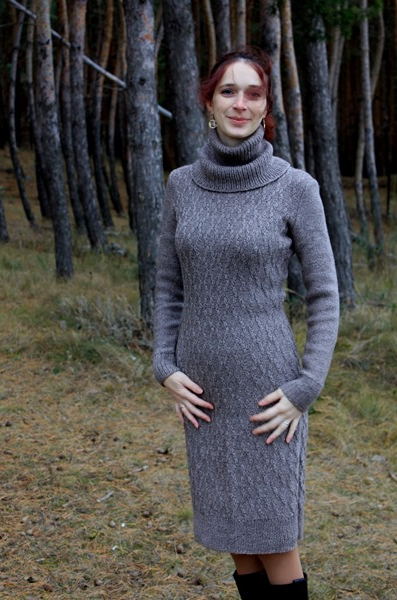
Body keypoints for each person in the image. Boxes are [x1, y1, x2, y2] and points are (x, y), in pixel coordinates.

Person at [153, 47, 339, 599]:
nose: (240, 103)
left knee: (275, 540)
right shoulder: (181, 185)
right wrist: (164, 364)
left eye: (253, 93)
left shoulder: (294, 187)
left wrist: (307, 386)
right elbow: (168, 285)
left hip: (268, 398)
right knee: (237, 540)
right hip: (204, 398)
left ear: (265, 107)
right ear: (208, 102)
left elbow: (324, 294)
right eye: (228, 91)